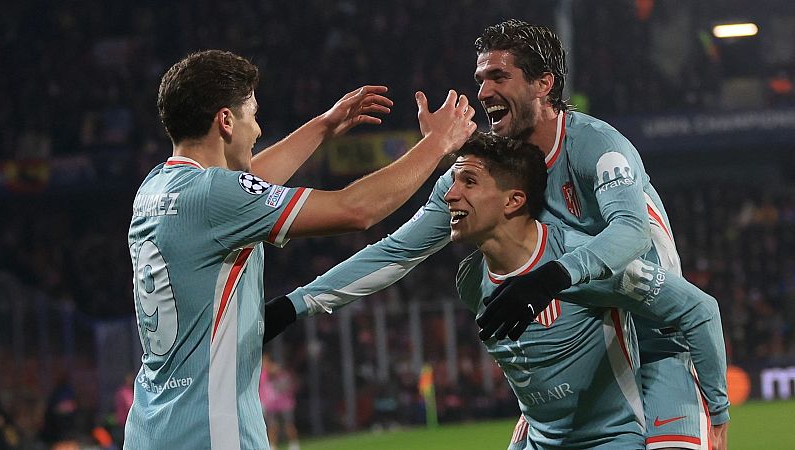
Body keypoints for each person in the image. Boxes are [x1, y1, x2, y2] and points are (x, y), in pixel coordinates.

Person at [264, 20, 728, 450]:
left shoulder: (597, 148)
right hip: (590, 360)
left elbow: (631, 231)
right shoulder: (483, 175)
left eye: (498, 77)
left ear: (543, 83)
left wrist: (549, 278)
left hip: (660, 340)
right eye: (480, 77)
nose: (483, 90)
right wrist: (295, 304)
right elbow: (397, 251)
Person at [124, 49, 476, 450]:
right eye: (252, 115)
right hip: (210, 433)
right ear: (225, 121)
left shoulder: (155, 188)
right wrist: (435, 144)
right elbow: (355, 209)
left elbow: (249, 184)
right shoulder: (215, 196)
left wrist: (324, 126)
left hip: (150, 428)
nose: (257, 131)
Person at [448, 132, 726, 448]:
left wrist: (717, 412)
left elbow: (698, 309)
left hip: (608, 440)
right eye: (454, 181)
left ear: (513, 200)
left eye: (468, 182)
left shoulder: (583, 264)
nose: (450, 195)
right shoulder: (470, 279)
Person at [259, 354, 299, 450]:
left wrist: (272, 368)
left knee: (289, 424)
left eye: (265, 361)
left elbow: (275, 372)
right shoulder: (262, 373)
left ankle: (294, 445)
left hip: (284, 403)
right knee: (272, 426)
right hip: (270, 405)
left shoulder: (278, 370)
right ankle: (272, 446)